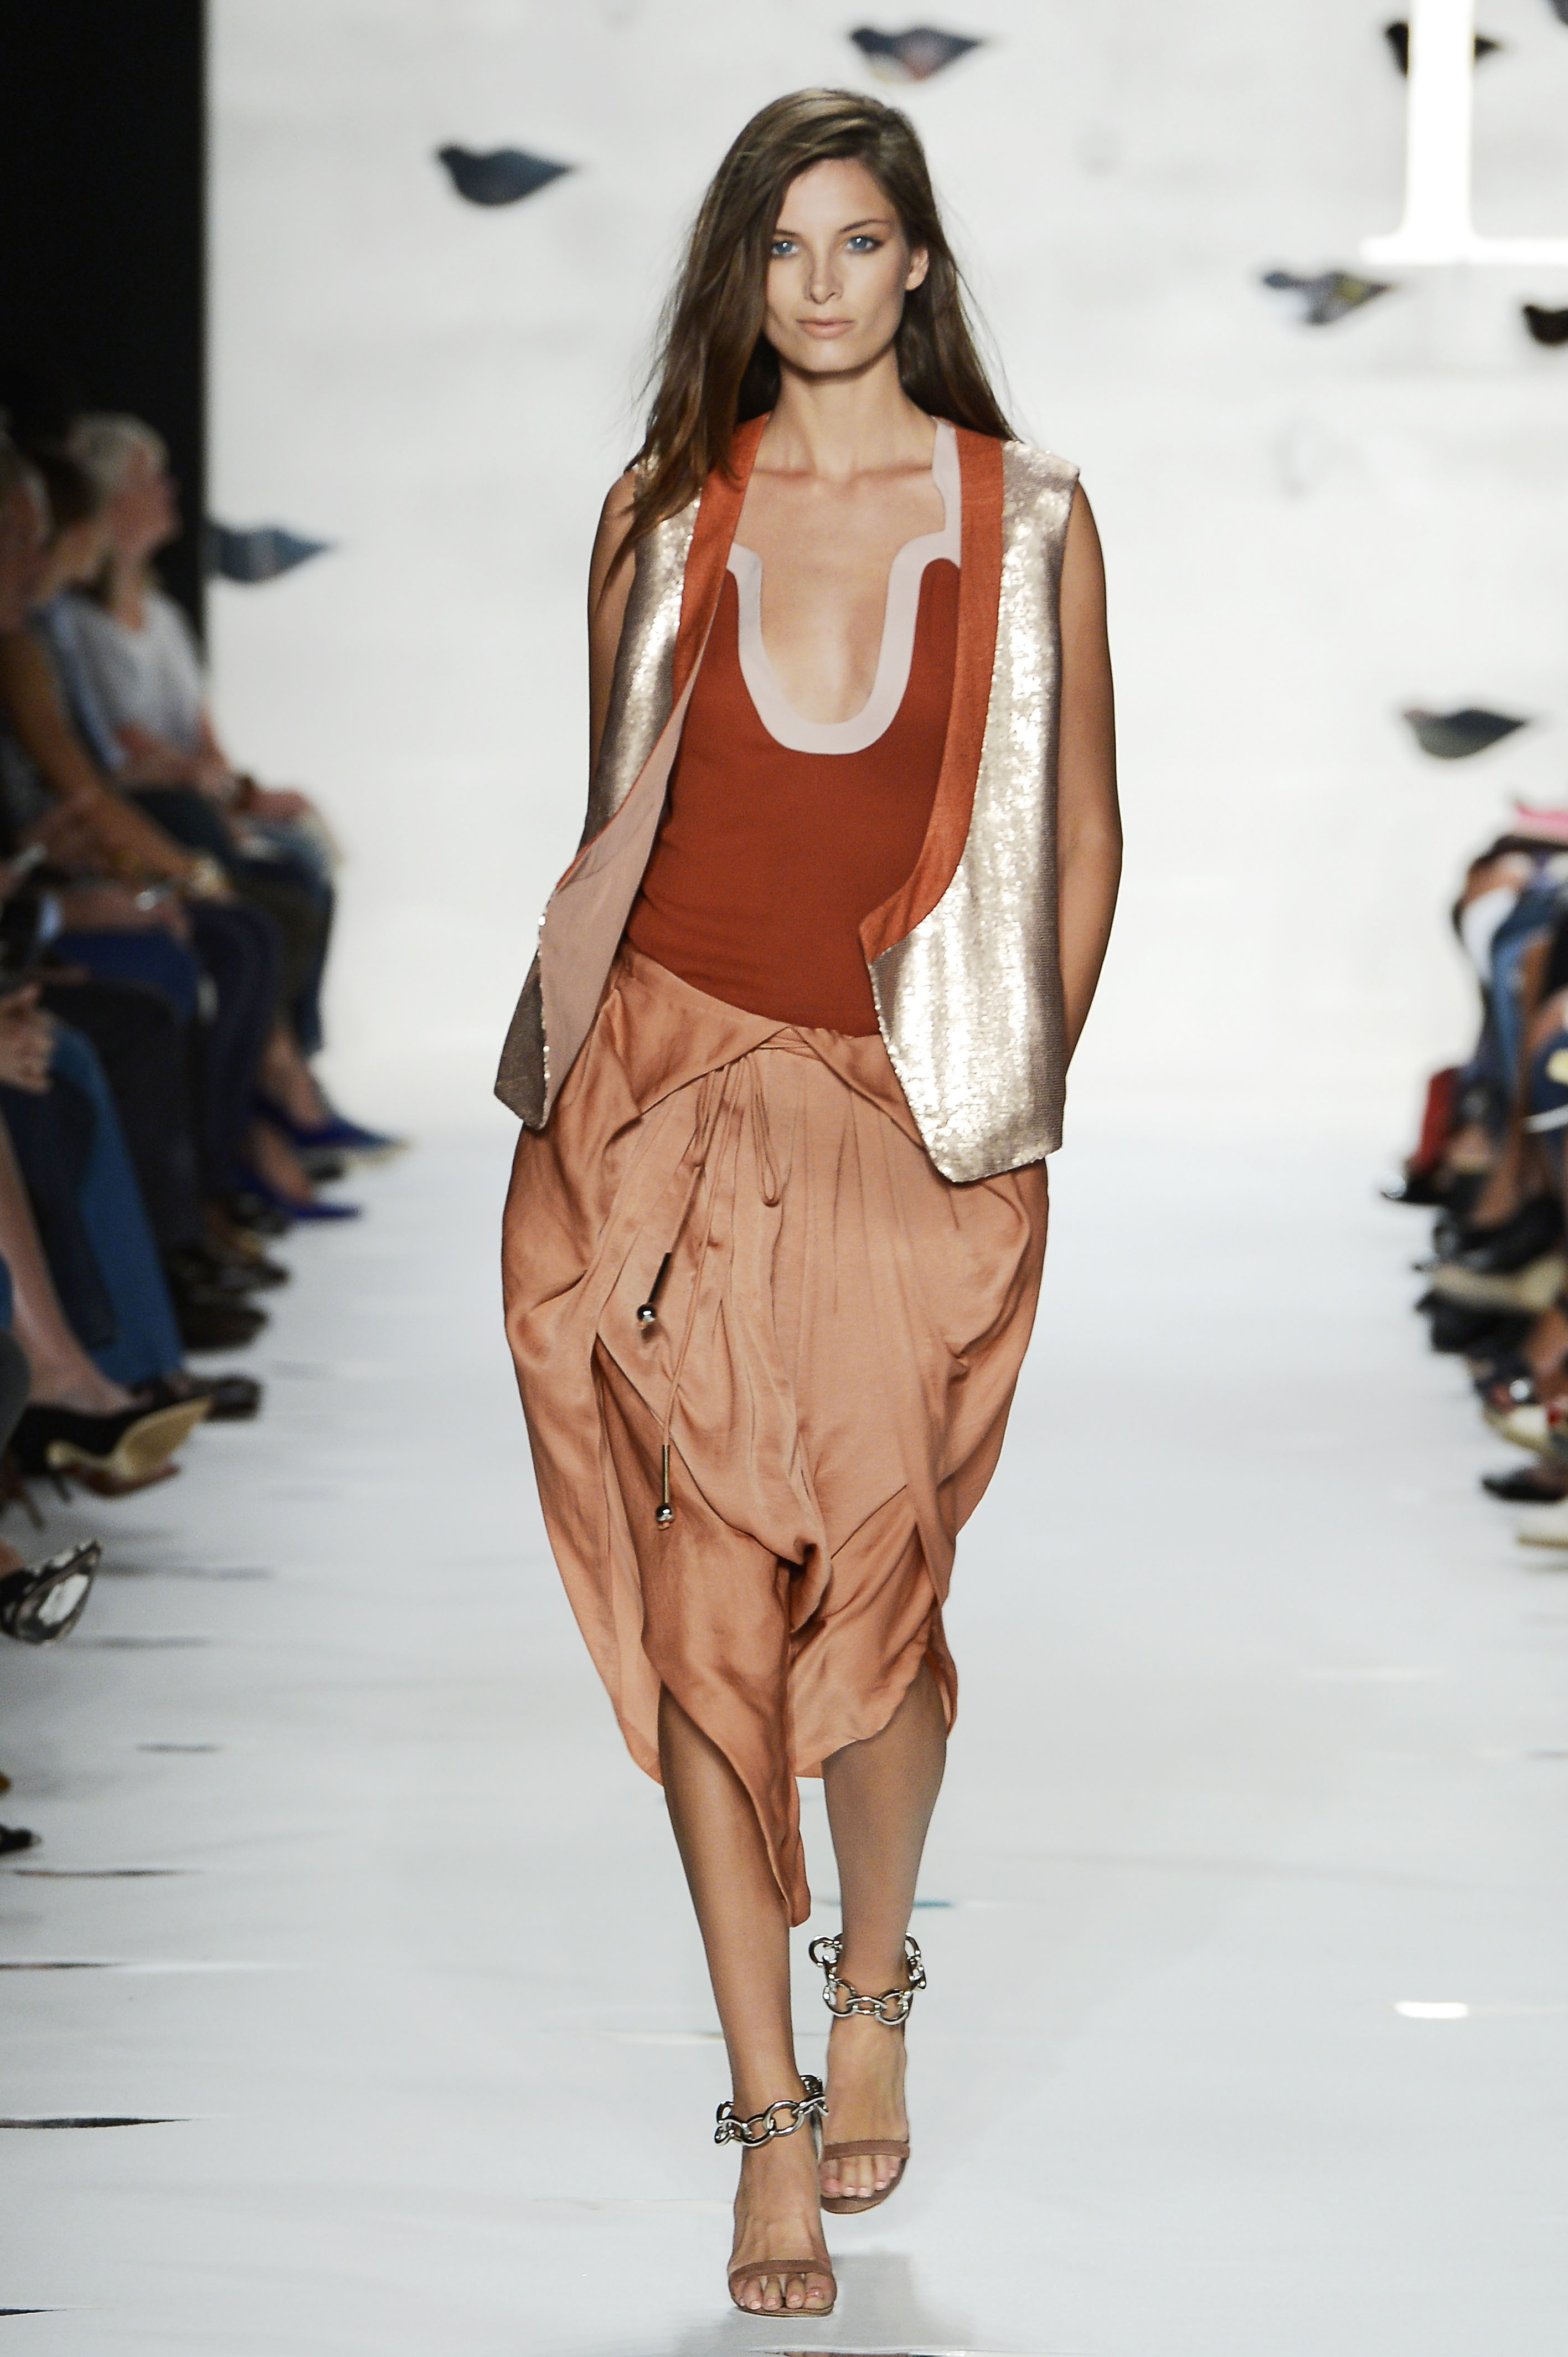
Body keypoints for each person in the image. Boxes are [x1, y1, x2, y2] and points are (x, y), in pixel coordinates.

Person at [498, 91, 1121, 2318]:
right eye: (784, 248)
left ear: (920, 263)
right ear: (741, 275)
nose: (824, 284)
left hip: (900, 1118)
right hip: (666, 1093)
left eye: (859, 242)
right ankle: (765, 2120)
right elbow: (614, 817)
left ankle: (875, 1974)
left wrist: (1006, 1102)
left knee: (880, 1590)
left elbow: (1081, 836)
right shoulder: (662, 508)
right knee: (707, 1606)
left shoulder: (1031, 517)